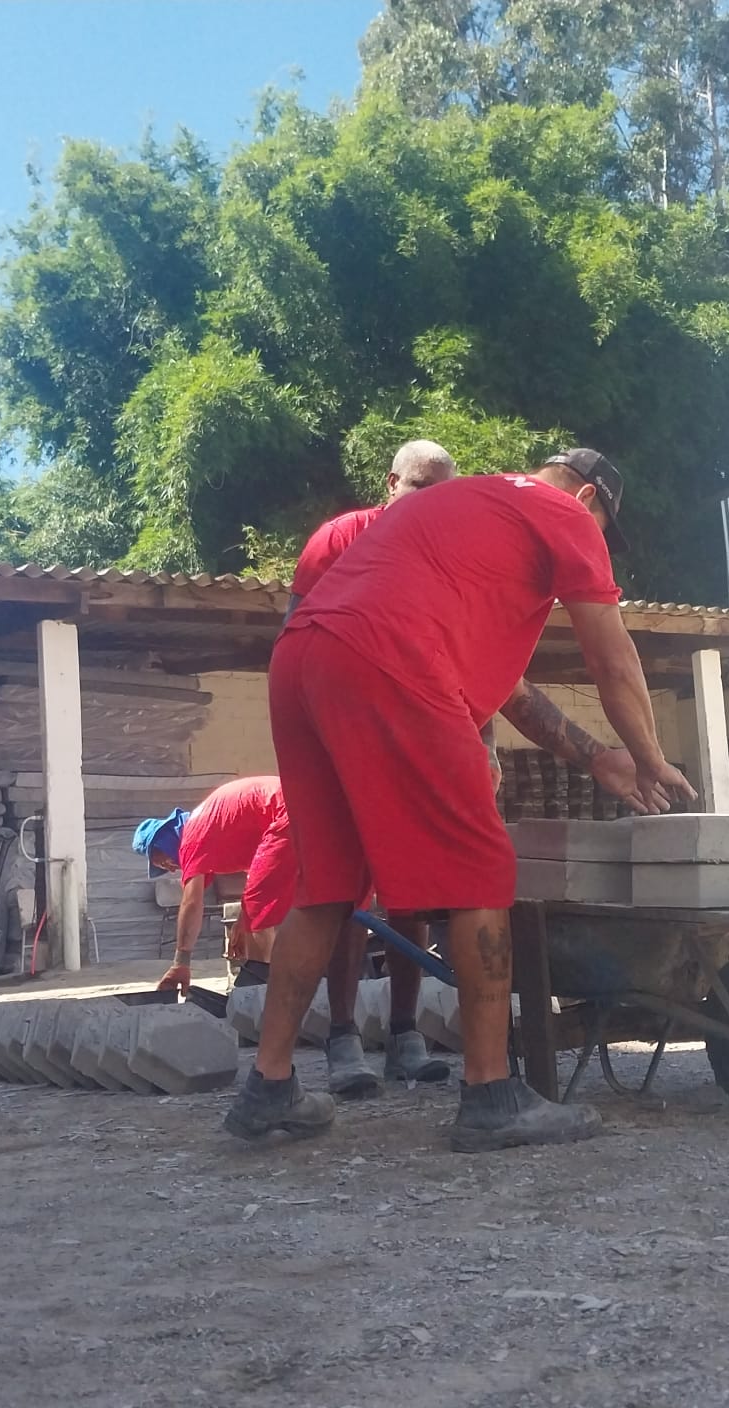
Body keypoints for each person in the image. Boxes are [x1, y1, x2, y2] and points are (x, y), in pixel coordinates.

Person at [224, 448, 696, 1153]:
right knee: (481, 868)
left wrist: (601, 759)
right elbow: (611, 655)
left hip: (303, 658)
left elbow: (513, 693)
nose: (598, 540)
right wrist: (654, 760)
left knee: (323, 886)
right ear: (589, 495)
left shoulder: (466, 509)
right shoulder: (564, 513)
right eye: (603, 525)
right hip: (392, 657)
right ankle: (491, 1093)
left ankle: (266, 1087)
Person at [287, 438, 462, 1094]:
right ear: (391, 483)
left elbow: (464, 655)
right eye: (420, 488)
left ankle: (406, 1036)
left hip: (413, 736)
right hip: (339, 737)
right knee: (341, 891)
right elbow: (296, 639)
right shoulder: (337, 540)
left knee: (414, 890)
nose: (430, 505)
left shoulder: (448, 559)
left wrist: (480, 744)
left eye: (443, 494)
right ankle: (340, 1039)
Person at [133, 776, 294, 994]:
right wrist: (242, 918)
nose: (171, 868)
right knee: (315, 903)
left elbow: (191, 901)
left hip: (286, 812)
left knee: (259, 918)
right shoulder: (214, 828)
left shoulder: (191, 837)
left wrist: (181, 962)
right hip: (302, 804)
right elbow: (260, 876)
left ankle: (261, 995)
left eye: (163, 861)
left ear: (165, 841)